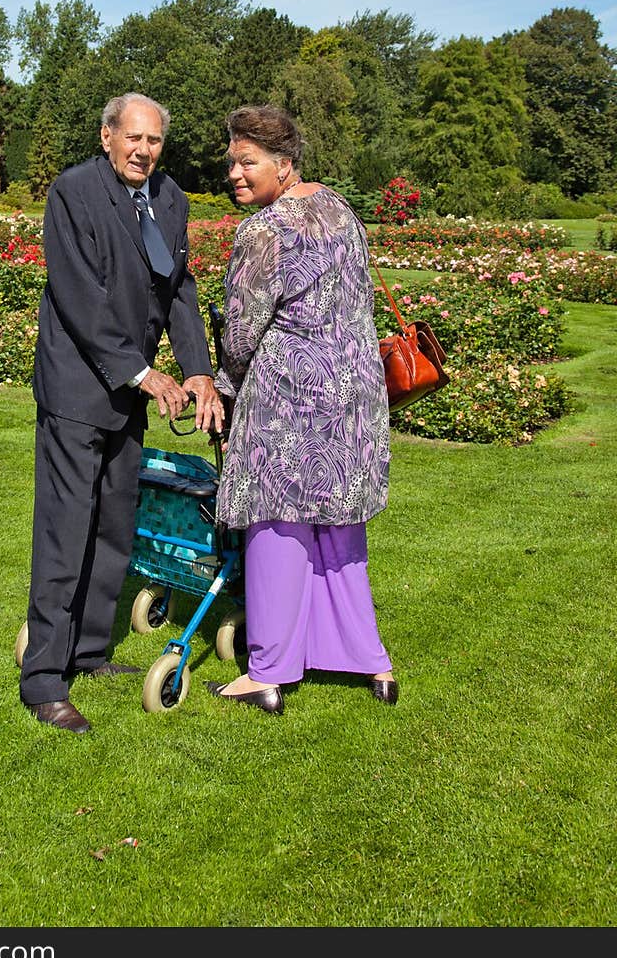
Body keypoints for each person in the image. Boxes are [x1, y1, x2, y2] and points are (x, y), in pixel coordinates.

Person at [20, 92, 224, 734]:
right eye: (132, 138)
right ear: (107, 136)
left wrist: (195, 367)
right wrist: (142, 373)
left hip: (129, 394)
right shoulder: (73, 192)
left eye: (154, 141)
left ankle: (90, 652)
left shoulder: (171, 200)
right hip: (79, 391)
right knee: (65, 530)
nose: (143, 151)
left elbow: (180, 288)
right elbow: (79, 298)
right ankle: (45, 679)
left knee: (114, 526)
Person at [207, 104, 396, 716]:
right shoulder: (338, 207)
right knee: (340, 526)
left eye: (247, 162)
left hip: (291, 403)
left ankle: (268, 670)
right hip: (355, 398)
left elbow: (240, 335)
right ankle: (370, 661)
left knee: (276, 524)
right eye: (231, 161)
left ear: (283, 165)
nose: (234, 173)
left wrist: (223, 386)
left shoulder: (265, 230)